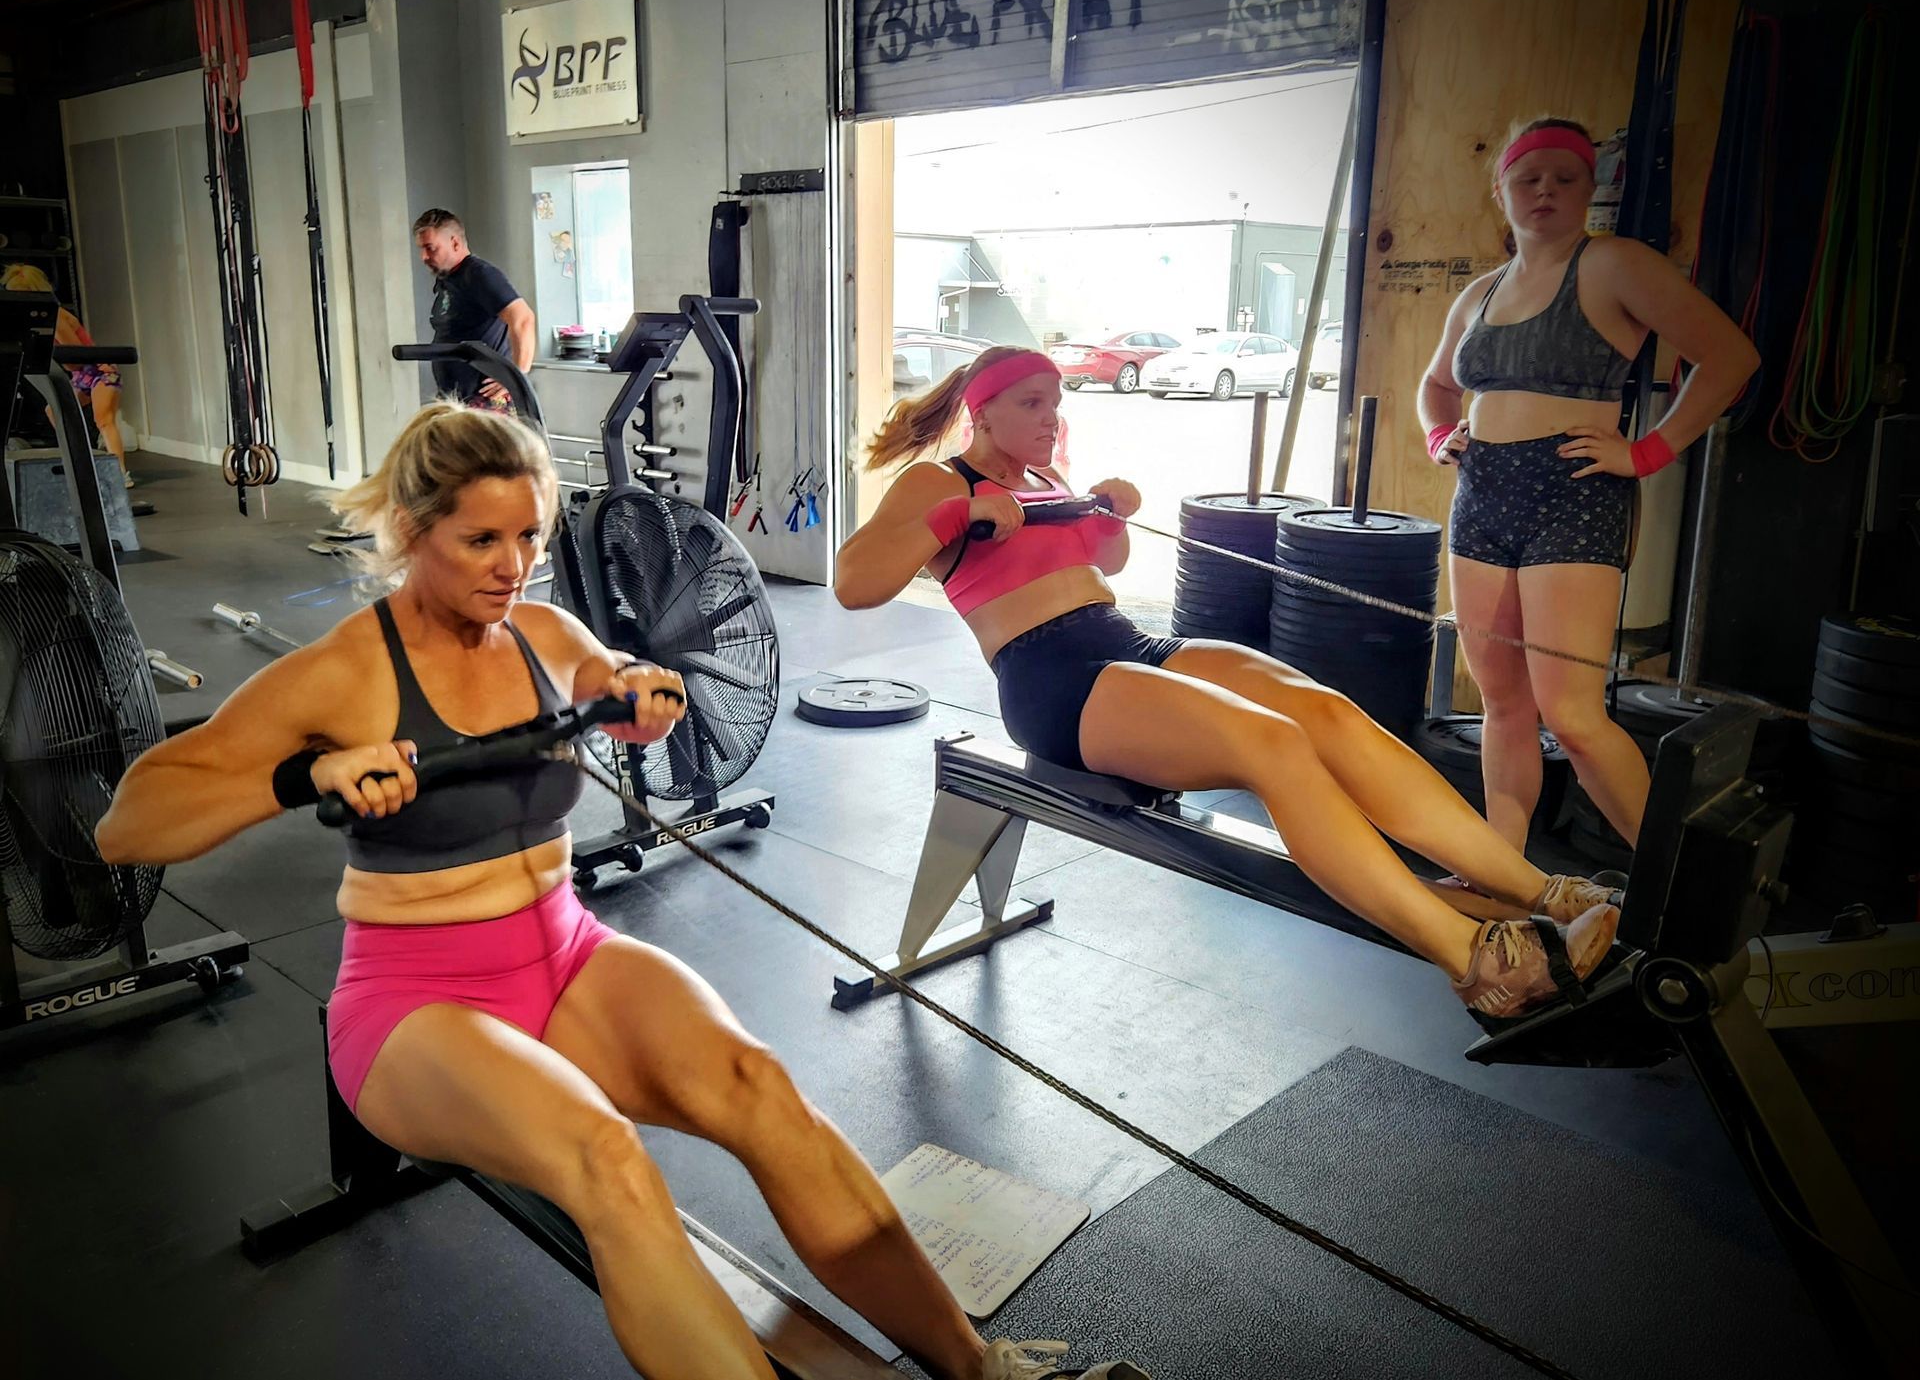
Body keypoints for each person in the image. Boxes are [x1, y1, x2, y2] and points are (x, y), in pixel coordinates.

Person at [94, 400, 1143, 1380]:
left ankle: (981, 1367)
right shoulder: (341, 674)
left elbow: (621, 677)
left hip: (566, 956)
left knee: (760, 1088)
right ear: (414, 530)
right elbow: (129, 822)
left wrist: (644, 694)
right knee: (609, 1160)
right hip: (418, 1008)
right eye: (482, 542)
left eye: (531, 539)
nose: (515, 568)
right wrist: (306, 773)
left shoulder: (544, 638)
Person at [837, 348, 1625, 1020]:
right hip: (1051, 679)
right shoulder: (936, 485)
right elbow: (852, 583)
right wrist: (958, 515)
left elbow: (1104, 567)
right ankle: (1477, 961)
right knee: (1271, 745)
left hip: (1126, 641)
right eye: (1031, 402)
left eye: (1056, 401)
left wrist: (1108, 513)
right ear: (982, 411)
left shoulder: (1046, 473)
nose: (1050, 416)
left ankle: (1541, 891)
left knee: (1323, 711)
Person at [1418, 118, 1759, 852]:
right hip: (1481, 496)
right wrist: (1440, 435)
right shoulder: (1478, 292)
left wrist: (1649, 452)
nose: (1544, 190)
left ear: (1589, 187)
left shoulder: (1613, 265)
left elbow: (1729, 356)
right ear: (1502, 191)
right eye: (1527, 178)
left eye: (1564, 178)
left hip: (1574, 491)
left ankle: (1671, 892)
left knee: (1571, 714)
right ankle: (1499, 874)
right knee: (1503, 705)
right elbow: (1436, 383)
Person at [2, 263, 132, 482]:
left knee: (104, 421)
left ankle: (120, 474)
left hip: (100, 370)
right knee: (53, 411)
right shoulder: (40, 319)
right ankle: (82, 459)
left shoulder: (56, 316)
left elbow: (76, 356)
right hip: (83, 375)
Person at [412, 209, 538, 412]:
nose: (424, 257)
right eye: (421, 249)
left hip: (485, 404)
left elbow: (523, 318)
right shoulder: (448, 279)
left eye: (430, 248)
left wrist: (515, 378)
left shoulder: (480, 274)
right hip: (456, 401)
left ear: (455, 243)